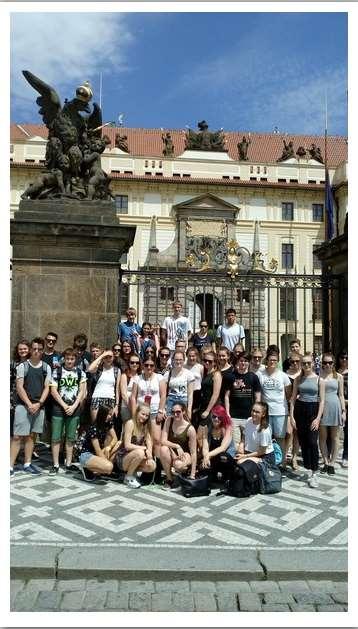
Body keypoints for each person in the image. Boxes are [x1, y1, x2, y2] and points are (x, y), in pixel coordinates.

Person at [10, 337, 52, 476]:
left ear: (42, 350)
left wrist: (39, 404)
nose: (36, 351)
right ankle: (9, 466)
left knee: (31, 436)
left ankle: (27, 463)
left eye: (39, 349)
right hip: (23, 406)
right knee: (17, 436)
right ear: (31, 349)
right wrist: (29, 404)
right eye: (34, 349)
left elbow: (47, 387)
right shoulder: (23, 366)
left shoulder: (47, 367)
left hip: (38, 407)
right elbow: (20, 387)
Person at [49, 347, 87, 474]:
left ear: (75, 360)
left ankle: (69, 463)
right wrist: (64, 405)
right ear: (64, 359)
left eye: (72, 359)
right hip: (59, 408)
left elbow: (82, 391)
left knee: (70, 438)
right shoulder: (57, 372)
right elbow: (53, 390)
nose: (69, 361)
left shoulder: (81, 373)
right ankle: (55, 464)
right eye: (67, 359)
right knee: (56, 437)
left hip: (74, 408)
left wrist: (74, 405)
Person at [290, 354, 325, 487]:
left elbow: (322, 401)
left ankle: (314, 471)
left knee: (312, 442)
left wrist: (317, 418)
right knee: (303, 441)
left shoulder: (319, 380)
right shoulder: (298, 379)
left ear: (313, 364)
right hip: (300, 409)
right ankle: (309, 468)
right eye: (304, 363)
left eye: (308, 363)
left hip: (313, 410)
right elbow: (293, 398)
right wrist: (292, 416)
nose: (306, 365)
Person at [257, 352, 291, 465]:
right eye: (270, 360)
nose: (272, 362)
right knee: (265, 437)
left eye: (275, 360)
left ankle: (280, 461)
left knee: (280, 437)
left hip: (280, 411)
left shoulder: (283, 376)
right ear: (266, 360)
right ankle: (266, 460)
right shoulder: (260, 374)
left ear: (278, 362)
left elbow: (289, 394)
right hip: (266, 412)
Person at [131, 358, 167, 464]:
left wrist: (161, 410)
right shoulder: (137, 378)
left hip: (154, 411)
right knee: (141, 439)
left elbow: (163, 395)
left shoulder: (159, 377)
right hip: (140, 412)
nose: (149, 367)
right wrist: (134, 414)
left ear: (154, 366)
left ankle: (156, 467)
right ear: (143, 366)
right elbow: (133, 397)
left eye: (151, 365)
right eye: (146, 365)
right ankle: (143, 464)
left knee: (156, 440)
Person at [225, 351, 261, 448]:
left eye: (245, 361)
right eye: (241, 361)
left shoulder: (253, 377)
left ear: (249, 363)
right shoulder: (230, 376)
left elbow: (258, 397)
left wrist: (256, 413)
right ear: (237, 362)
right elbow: (226, 396)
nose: (243, 363)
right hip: (234, 416)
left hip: (249, 417)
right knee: (235, 444)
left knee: (247, 443)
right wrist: (227, 413)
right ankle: (236, 462)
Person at [115, 404, 156, 488]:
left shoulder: (145, 426)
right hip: (123, 457)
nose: (144, 417)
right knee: (140, 453)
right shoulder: (130, 423)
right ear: (137, 412)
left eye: (147, 415)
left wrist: (150, 454)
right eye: (142, 414)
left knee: (152, 465)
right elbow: (127, 445)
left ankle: (132, 472)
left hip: (136, 455)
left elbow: (149, 442)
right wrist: (144, 448)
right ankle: (128, 477)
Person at [319, 353, 346, 475]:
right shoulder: (318, 375)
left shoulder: (338, 376)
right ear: (322, 363)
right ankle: (325, 461)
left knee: (335, 437)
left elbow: (341, 395)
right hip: (322, 408)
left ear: (333, 363)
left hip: (335, 407)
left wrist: (343, 411)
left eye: (330, 362)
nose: (327, 365)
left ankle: (332, 463)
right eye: (325, 362)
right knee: (323, 437)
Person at [160, 402, 197, 488]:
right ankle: (170, 479)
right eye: (173, 412)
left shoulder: (190, 429)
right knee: (163, 449)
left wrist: (193, 475)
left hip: (185, 454)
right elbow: (163, 440)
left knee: (178, 465)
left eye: (178, 412)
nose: (175, 414)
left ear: (183, 412)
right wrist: (177, 446)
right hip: (172, 451)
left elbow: (193, 452)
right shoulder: (169, 420)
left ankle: (185, 474)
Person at [78, 404, 118, 481]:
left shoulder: (108, 424)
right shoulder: (94, 428)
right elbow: (98, 450)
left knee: (118, 444)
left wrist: (109, 447)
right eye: (109, 414)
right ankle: (86, 468)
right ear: (103, 414)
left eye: (111, 414)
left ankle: (99, 470)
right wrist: (107, 463)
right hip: (87, 455)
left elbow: (115, 438)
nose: (110, 416)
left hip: (97, 453)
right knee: (109, 467)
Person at [199, 404, 236, 482]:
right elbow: (205, 447)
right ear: (211, 416)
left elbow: (223, 448)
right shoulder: (207, 428)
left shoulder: (227, 428)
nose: (216, 419)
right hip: (213, 454)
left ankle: (227, 476)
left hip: (225, 454)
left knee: (223, 457)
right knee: (204, 468)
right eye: (214, 416)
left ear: (223, 418)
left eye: (220, 417)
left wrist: (209, 455)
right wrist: (206, 457)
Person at [236, 402, 275, 466]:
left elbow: (262, 451)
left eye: (257, 412)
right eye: (253, 410)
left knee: (240, 462)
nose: (254, 413)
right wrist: (241, 444)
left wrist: (245, 456)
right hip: (250, 452)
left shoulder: (264, 430)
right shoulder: (249, 420)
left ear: (263, 414)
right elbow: (244, 435)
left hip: (264, 456)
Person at [87, 349, 121, 422]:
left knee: (107, 426)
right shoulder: (98, 368)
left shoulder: (117, 370)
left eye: (110, 357)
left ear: (113, 357)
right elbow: (89, 369)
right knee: (95, 424)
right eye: (106, 357)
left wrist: (117, 405)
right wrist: (102, 355)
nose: (108, 359)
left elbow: (117, 389)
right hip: (97, 397)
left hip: (110, 399)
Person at [164, 350, 195, 420]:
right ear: (173, 360)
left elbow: (190, 394)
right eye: (176, 359)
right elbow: (164, 393)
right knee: (169, 423)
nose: (178, 362)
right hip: (170, 402)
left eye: (180, 359)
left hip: (183, 401)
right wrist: (163, 408)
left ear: (184, 360)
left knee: (182, 424)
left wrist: (189, 410)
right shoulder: (167, 374)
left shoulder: (189, 374)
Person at [10, 340, 31, 437]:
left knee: (28, 427)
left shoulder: (33, 363)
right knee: (15, 427)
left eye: (25, 348)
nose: (23, 351)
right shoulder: (13, 364)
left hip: (30, 397)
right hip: (15, 398)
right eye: (20, 349)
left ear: (29, 349)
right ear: (17, 351)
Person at [285, 352, 302, 469]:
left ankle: (294, 457)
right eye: (292, 361)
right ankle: (285, 456)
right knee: (288, 432)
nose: (295, 363)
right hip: (288, 406)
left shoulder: (304, 374)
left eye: (297, 361)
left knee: (297, 434)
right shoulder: (285, 374)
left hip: (302, 406)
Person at [198, 352, 222, 428]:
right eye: (205, 360)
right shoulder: (205, 373)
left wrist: (207, 410)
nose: (207, 362)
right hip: (204, 405)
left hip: (212, 408)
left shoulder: (216, 374)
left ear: (214, 362)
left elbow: (215, 394)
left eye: (210, 361)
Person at [120, 353, 141, 425]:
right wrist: (132, 408)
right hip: (126, 406)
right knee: (127, 428)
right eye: (132, 362)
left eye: (137, 363)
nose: (135, 364)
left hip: (139, 408)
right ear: (128, 363)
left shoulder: (142, 375)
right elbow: (123, 394)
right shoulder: (124, 375)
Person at [336, 349, 348, 467]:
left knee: (348, 431)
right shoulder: (335, 372)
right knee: (334, 431)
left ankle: (346, 455)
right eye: (342, 357)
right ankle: (330, 454)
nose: (344, 360)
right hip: (337, 405)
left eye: (346, 358)